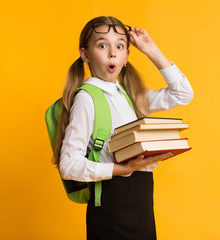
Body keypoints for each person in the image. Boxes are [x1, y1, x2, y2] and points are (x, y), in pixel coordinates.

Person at [53, 16, 193, 240]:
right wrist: (122, 169)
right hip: (112, 206)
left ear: (127, 56)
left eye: (119, 46)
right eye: (102, 45)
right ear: (85, 55)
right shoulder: (87, 99)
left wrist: (151, 50)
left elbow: (183, 94)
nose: (112, 53)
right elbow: (68, 165)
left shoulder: (129, 98)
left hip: (142, 203)